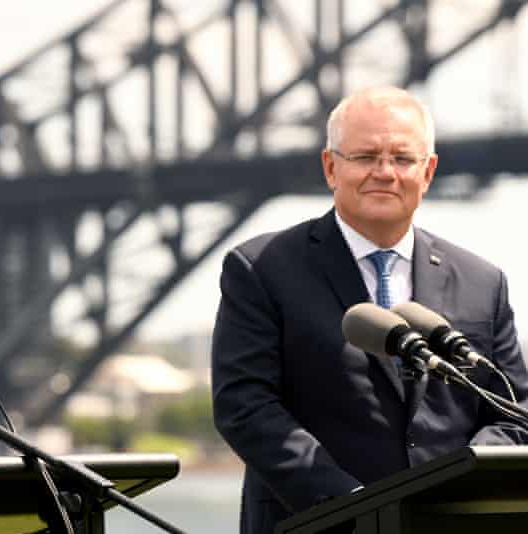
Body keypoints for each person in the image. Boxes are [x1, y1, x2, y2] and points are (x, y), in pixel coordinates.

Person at [211, 86, 528, 533]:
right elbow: (244, 406)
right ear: (330, 167)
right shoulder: (261, 269)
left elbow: (512, 408)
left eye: (402, 158)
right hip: (318, 523)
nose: (384, 172)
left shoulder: (483, 282)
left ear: (429, 170)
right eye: (365, 157)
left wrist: (459, 491)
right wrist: (357, 507)